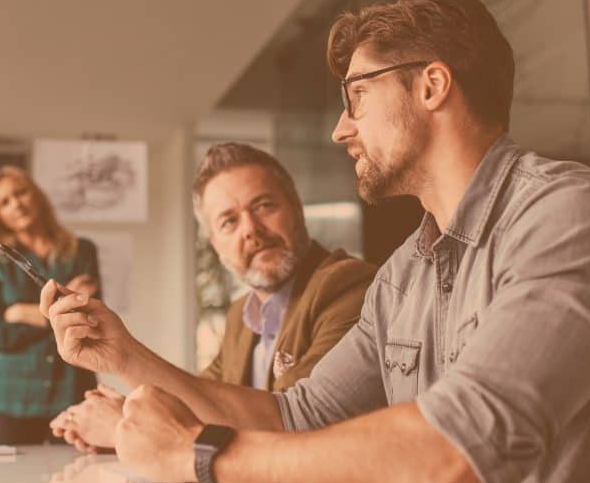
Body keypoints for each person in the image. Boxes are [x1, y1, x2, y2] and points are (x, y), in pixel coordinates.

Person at [41, 0, 590, 483]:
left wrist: (198, 454)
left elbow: (458, 450)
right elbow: (295, 416)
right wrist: (124, 356)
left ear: (431, 86)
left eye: (357, 96)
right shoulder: (404, 275)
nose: (341, 127)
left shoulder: (571, 216)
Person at [49, 143, 375, 450]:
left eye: (264, 206)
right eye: (229, 221)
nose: (250, 229)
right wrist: (130, 414)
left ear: (297, 210)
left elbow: (293, 427)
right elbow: (200, 405)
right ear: (216, 245)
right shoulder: (241, 316)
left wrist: (124, 426)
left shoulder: (347, 286)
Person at [0, 165, 100, 444]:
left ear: (37, 196)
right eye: (4, 202)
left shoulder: (82, 252)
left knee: (77, 477)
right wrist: (57, 314)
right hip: (14, 398)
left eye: (21, 193)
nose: (16, 204)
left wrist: (22, 312)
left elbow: (88, 320)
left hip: (72, 390)